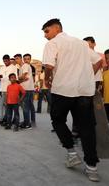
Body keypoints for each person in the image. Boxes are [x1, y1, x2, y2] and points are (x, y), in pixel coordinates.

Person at [42, 18, 101, 182]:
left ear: (56, 28)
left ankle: (72, 152)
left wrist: (48, 80)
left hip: (63, 90)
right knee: (87, 128)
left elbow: (48, 66)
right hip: (84, 90)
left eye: (46, 31)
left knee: (57, 119)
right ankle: (92, 168)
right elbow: (98, 61)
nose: (45, 36)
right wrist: (88, 75)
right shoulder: (81, 43)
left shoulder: (53, 43)